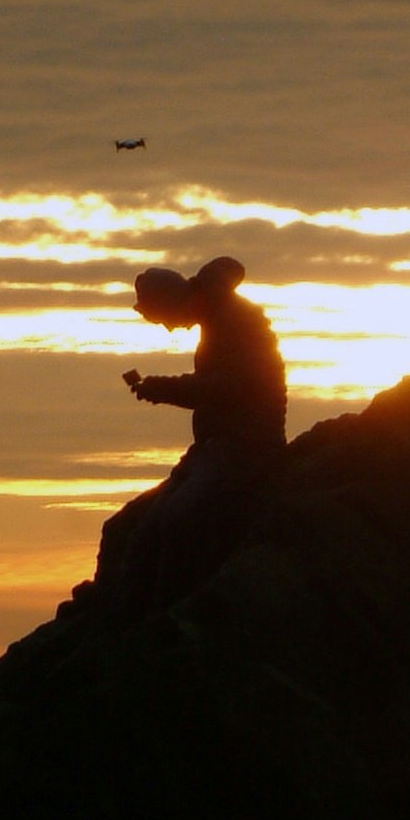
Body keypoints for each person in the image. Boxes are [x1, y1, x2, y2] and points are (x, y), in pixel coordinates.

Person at [94, 255, 284, 607]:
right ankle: (119, 607)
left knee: (176, 519)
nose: (169, 328)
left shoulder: (234, 321)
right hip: (213, 447)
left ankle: (164, 610)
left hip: (246, 446)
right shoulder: (218, 316)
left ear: (176, 300)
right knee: (126, 528)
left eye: (164, 318)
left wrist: (164, 389)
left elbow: (232, 388)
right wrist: (163, 389)